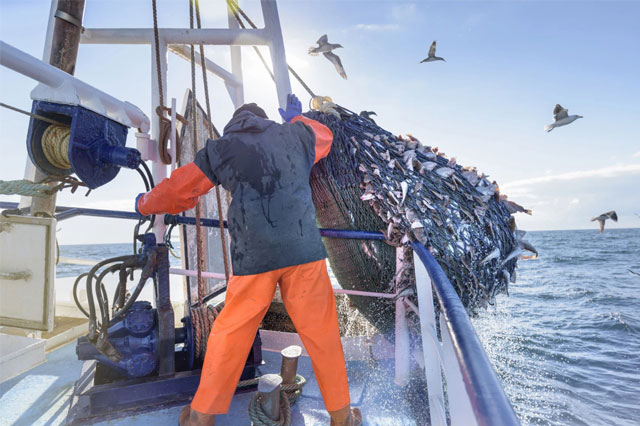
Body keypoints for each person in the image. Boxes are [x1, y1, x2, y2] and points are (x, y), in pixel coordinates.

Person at [135, 94, 362, 426]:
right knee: (322, 333)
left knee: (230, 333)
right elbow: (325, 136)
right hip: (303, 253)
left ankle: (201, 416)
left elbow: (179, 190)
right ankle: (342, 416)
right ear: (265, 120)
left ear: (234, 125)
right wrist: (297, 119)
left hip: (253, 258)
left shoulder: (221, 148)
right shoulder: (295, 134)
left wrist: (144, 204)